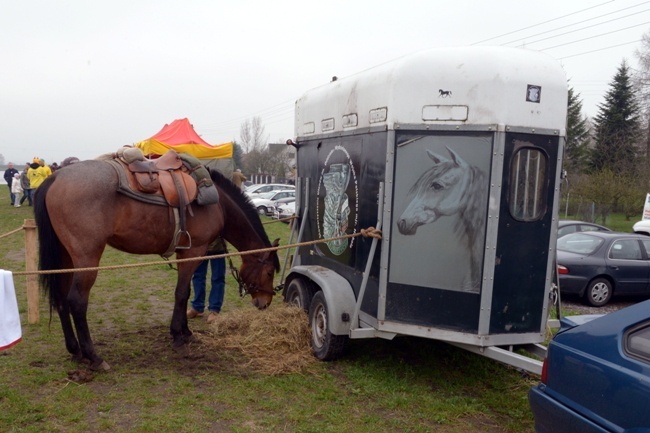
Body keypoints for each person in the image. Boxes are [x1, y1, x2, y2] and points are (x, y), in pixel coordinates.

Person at [187, 237, 227, 324]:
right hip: (200, 246)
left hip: (218, 247)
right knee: (198, 276)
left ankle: (214, 309)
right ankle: (197, 307)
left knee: (218, 278)